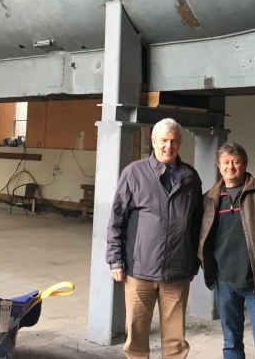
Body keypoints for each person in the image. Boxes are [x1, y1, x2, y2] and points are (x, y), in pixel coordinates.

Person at [106, 118, 204, 359]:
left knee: (175, 341)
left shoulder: (190, 177)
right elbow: (117, 219)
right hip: (140, 271)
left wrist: (194, 263)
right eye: (163, 141)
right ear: (153, 141)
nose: (168, 147)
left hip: (177, 272)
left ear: (180, 143)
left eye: (173, 141)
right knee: (137, 337)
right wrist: (115, 260)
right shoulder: (134, 173)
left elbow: (198, 224)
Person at [199, 142, 255, 359]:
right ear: (219, 166)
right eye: (226, 162)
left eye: (236, 162)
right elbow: (202, 237)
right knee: (231, 342)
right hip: (225, 283)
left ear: (245, 164)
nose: (230, 167)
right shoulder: (210, 198)